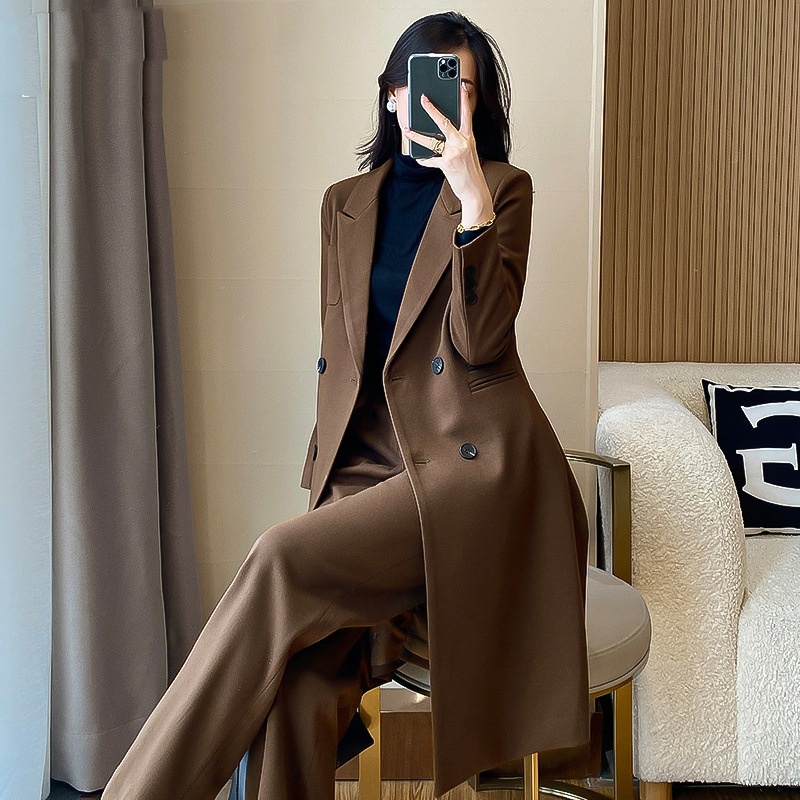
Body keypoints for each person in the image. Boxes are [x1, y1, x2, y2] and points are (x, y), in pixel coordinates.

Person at [102, 11, 590, 800]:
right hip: (368, 471)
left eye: (462, 88)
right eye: (425, 84)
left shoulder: (502, 190)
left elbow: (482, 343)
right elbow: (343, 362)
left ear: (479, 105)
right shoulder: (344, 204)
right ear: (392, 94)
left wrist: (471, 202)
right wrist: (331, 494)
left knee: (275, 554)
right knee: (297, 686)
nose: (443, 102)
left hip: (469, 473)